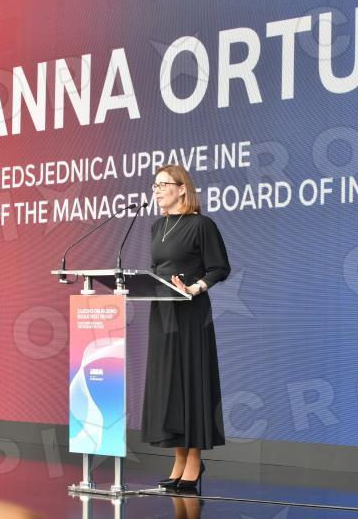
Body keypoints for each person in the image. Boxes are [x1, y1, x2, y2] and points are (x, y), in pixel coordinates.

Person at [141, 164, 230, 492]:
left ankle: (194, 459)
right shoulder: (157, 226)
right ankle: (179, 458)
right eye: (155, 185)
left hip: (191, 313)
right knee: (171, 387)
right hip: (162, 312)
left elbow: (219, 267)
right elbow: (156, 268)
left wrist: (195, 288)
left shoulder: (201, 225)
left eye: (163, 184)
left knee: (191, 382)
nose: (157, 190)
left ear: (182, 189)